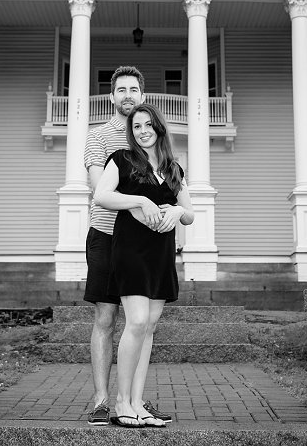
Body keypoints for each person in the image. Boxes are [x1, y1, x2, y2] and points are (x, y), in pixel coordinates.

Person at [94, 103, 194, 428]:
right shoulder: (121, 160)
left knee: (148, 328)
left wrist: (178, 213)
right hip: (130, 250)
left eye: (148, 125)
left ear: (159, 128)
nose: (143, 131)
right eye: (137, 126)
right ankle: (121, 402)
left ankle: (138, 404)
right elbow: (102, 196)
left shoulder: (174, 168)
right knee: (136, 322)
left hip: (161, 254)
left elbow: (189, 213)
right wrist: (140, 199)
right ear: (131, 131)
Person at [82, 66, 171, 427]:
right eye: (121, 90)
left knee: (143, 323)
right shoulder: (98, 137)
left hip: (146, 242)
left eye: (134, 89)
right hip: (107, 236)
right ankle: (103, 399)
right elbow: (97, 186)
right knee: (106, 316)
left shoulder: (150, 135)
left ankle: (134, 399)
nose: (128, 95)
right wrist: (139, 202)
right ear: (111, 97)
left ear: (142, 96)